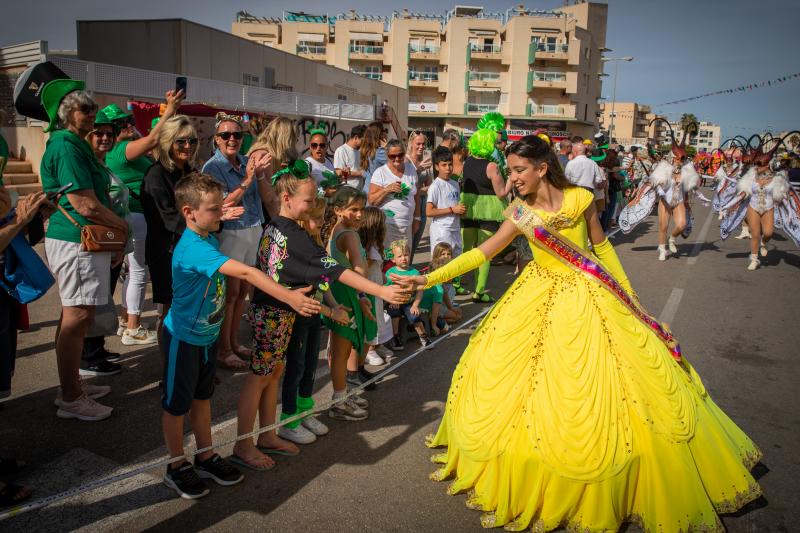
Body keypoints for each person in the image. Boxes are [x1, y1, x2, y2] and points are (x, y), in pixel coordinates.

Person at [404, 135, 761, 532]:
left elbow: (602, 249)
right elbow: (482, 253)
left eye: (519, 170)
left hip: (590, 294)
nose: (512, 178)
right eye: (510, 171)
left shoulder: (580, 198)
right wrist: (427, 277)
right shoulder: (519, 213)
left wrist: (631, 298)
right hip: (536, 296)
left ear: (542, 168)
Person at [160, 172, 319, 499]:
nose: (222, 214)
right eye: (214, 210)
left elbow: (216, 206)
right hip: (182, 339)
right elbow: (247, 271)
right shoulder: (193, 248)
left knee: (202, 399)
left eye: (222, 208)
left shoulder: (205, 233)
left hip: (205, 338)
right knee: (177, 406)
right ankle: (176, 467)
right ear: (189, 212)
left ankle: (205, 456)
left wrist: (225, 203)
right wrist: (289, 297)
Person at [40, 79, 128, 421]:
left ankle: (72, 385)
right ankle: (72, 397)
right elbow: (85, 204)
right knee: (77, 317)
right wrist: (120, 228)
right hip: (77, 239)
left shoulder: (72, 143)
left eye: (92, 106)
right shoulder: (65, 144)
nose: (92, 113)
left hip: (82, 240)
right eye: (85, 107)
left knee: (78, 315)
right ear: (66, 113)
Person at [321, 185, 409, 422]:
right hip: (345, 296)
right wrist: (366, 290)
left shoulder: (340, 229)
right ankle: (339, 401)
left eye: (361, 209)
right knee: (342, 350)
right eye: (353, 210)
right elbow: (358, 267)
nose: (359, 215)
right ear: (339, 210)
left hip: (348, 294)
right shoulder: (348, 234)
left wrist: (361, 297)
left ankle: (344, 394)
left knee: (345, 348)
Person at [103, 91, 183, 345]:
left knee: (133, 273)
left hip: (136, 215)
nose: (129, 126)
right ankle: (133, 328)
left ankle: (129, 320)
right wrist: (169, 110)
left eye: (129, 121)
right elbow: (152, 142)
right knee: (139, 272)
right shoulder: (120, 150)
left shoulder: (122, 150)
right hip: (136, 215)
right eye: (122, 124)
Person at [277, 197, 350, 445]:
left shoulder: (315, 241)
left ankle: (305, 411)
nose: (321, 222)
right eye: (316, 218)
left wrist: (332, 303)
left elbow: (324, 280)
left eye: (322, 217)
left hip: (314, 313)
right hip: (298, 315)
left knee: (309, 365)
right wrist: (333, 313)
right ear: (301, 219)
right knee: (295, 367)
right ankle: (289, 420)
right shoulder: (299, 247)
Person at [202, 114, 271, 371]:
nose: (232, 139)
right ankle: (224, 350)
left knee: (242, 292)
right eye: (225, 135)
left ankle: (233, 342)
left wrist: (259, 174)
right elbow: (220, 204)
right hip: (231, 232)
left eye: (237, 135)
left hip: (252, 229)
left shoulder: (245, 162)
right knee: (229, 294)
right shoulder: (212, 168)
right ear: (216, 139)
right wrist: (248, 179)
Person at [141, 116, 200, 339]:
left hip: (191, 248)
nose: (188, 146)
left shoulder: (190, 172)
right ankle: (171, 366)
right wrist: (205, 226)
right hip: (168, 253)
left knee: (192, 309)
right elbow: (168, 218)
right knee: (171, 311)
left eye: (192, 141)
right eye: (181, 141)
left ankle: (189, 364)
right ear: (168, 142)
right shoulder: (155, 175)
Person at [719, 133, 800, 270]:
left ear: (767, 164)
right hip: (753, 207)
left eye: (759, 163)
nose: (756, 166)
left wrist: (797, 206)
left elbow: (790, 193)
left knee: (768, 232)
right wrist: (728, 206)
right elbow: (742, 194)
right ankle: (754, 258)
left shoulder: (777, 179)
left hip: (768, 208)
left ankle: (764, 242)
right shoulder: (751, 177)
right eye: (755, 163)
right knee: (755, 233)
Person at [460, 128, 510, 303]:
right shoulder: (492, 166)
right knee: (484, 252)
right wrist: (511, 177)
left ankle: (457, 283)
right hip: (488, 211)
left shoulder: (468, 162)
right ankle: (479, 291)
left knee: (466, 249)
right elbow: (502, 193)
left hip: (468, 208)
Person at [367, 139, 420, 252]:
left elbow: (416, 196)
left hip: (407, 225)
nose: (397, 158)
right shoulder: (380, 173)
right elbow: (371, 200)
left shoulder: (411, 169)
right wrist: (387, 190)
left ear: (404, 153)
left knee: (404, 260)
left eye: (400, 155)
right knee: (388, 260)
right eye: (392, 156)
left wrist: (417, 218)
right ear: (387, 155)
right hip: (388, 225)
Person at [358, 206, 394, 365]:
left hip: (377, 291)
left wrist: (387, 278)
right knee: (371, 321)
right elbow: (363, 273)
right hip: (369, 292)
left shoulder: (374, 247)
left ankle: (376, 344)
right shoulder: (367, 251)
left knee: (379, 318)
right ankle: (369, 350)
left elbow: (376, 270)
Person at [247, 116, 298, 221]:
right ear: (285, 138)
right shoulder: (265, 156)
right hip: (260, 217)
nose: (295, 142)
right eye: (293, 138)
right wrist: (282, 223)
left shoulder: (261, 151)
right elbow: (269, 199)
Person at [384, 239, 429, 349]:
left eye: (406, 255)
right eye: (399, 256)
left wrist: (415, 305)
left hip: (409, 302)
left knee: (414, 316)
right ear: (393, 259)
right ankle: (395, 337)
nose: (403, 258)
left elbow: (419, 290)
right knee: (394, 313)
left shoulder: (415, 273)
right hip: (394, 301)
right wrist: (391, 301)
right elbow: (385, 289)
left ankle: (423, 336)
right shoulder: (390, 273)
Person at [426, 146, 465, 259]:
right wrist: (452, 210)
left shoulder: (455, 184)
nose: (448, 168)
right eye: (444, 165)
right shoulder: (435, 186)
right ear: (436, 166)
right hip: (442, 231)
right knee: (442, 265)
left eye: (450, 164)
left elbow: (454, 205)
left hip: (455, 229)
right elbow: (429, 211)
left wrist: (460, 211)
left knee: (456, 264)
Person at [423, 243, 462, 336]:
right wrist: (451, 308)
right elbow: (442, 294)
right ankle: (436, 321)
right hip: (438, 306)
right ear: (437, 255)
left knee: (458, 313)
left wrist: (451, 307)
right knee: (457, 316)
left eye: (448, 254)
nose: (446, 256)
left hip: (442, 304)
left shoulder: (448, 268)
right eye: (443, 254)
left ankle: (439, 321)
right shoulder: (437, 273)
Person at [406, 131, 433, 261]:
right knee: (407, 244)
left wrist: (420, 189)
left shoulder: (425, 161)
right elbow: (407, 186)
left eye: (424, 144)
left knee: (415, 242)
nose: (421, 147)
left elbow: (430, 185)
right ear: (411, 143)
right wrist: (417, 171)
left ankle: (410, 268)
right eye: (418, 144)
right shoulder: (406, 160)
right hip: (410, 205)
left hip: (422, 204)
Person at [304, 125, 339, 192]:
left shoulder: (329, 162)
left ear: (326, 147)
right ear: (310, 147)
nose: (318, 148)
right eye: (314, 145)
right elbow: (305, 189)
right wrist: (325, 192)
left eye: (322, 145)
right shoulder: (307, 164)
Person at [333, 125, 366, 189]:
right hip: (347, 192)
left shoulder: (359, 152)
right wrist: (359, 173)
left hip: (359, 191)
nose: (364, 143)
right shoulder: (341, 150)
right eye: (363, 140)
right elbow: (338, 172)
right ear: (356, 137)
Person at [359, 122, 388, 193]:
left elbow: (364, 173)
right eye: (384, 131)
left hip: (367, 188)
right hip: (377, 191)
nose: (386, 133)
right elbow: (398, 163)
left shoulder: (367, 151)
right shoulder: (380, 152)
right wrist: (387, 145)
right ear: (380, 134)